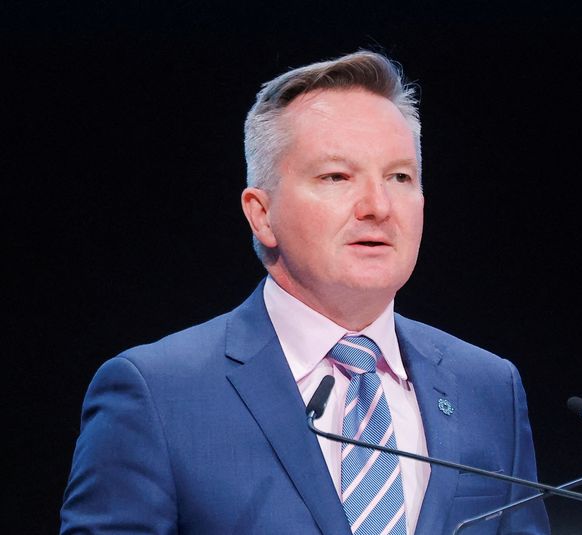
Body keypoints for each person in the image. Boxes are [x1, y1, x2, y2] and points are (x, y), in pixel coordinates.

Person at [60, 50, 550, 535]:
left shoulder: (488, 388)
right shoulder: (158, 395)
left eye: (400, 177)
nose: (378, 206)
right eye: (336, 176)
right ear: (261, 214)